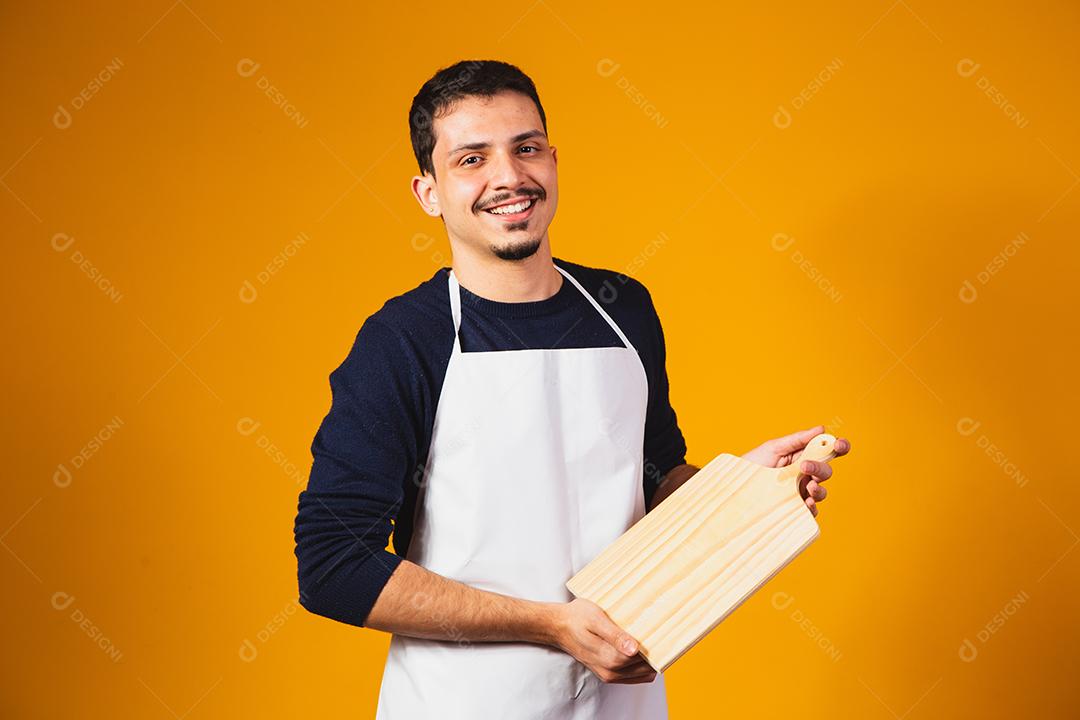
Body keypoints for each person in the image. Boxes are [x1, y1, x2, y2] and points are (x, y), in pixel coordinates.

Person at [293, 59, 851, 719]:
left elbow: (651, 477)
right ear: (429, 192)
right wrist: (552, 624)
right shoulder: (401, 342)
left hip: (623, 702)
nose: (509, 177)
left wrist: (740, 495)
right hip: (464, 704)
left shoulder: (626, 309)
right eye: (472, 159)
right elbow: (332, 565)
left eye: (526, 148)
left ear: (553, 160)